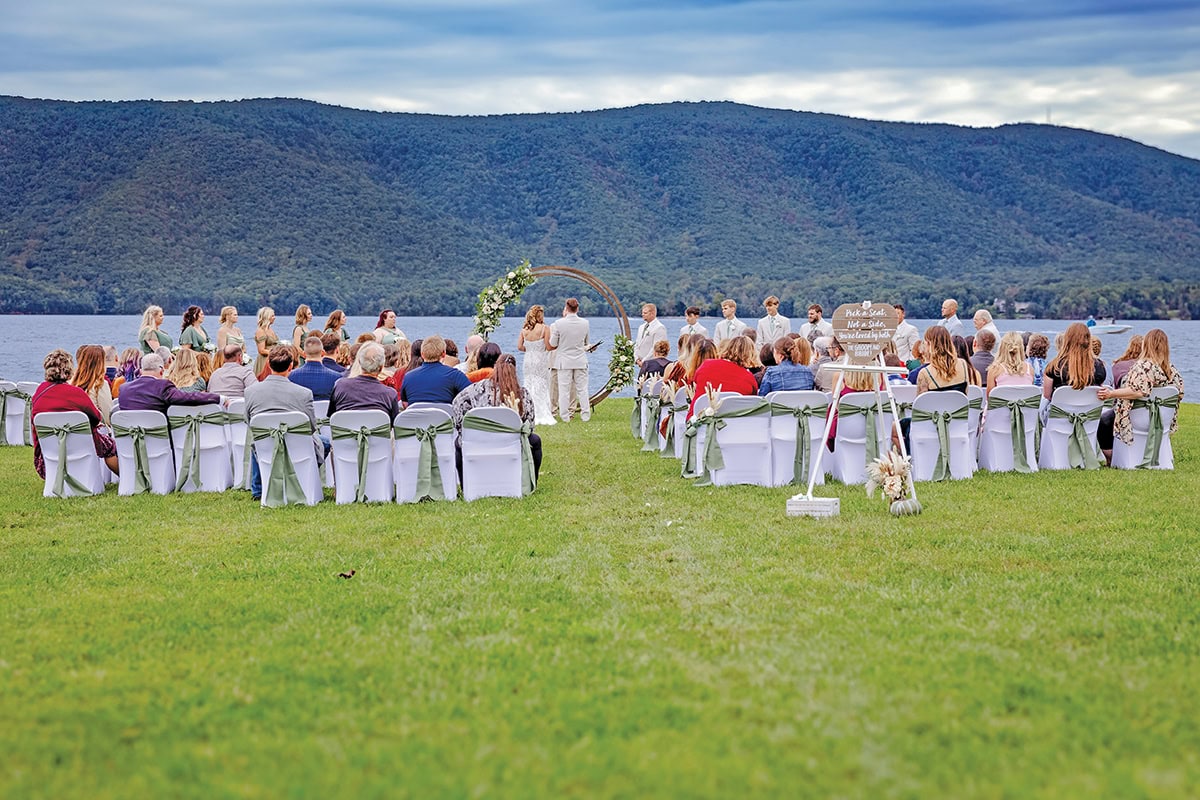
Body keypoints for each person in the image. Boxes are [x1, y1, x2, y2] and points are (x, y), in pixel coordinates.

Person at [244, 344, 329, 500]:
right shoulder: (303, 393)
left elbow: (250, 423)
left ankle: (259, 490)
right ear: (291, 366)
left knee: (257, 442)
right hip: (298, 448)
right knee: (325, 442)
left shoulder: (250, 392)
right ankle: (303, 480)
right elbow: (310, 428)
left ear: (268, 364)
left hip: (266, 446)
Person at [1097, 329, 1184, 465]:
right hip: (1162, 419)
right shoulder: (1171, 370)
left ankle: (1111, 459)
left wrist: (1111, 393)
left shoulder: (1142, 366)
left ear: (1147, 344)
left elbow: (1138, 392)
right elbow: (1178, 392)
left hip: (1138, 420)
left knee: (1106, 420)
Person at [30, 349, 119, 480]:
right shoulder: (75, 393)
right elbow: (96, 418)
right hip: (79, 447)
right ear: (68, 369)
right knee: (109, 447)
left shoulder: (40, 392)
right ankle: (126, 477)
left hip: (46, 456)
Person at [452, 353, 543, 480]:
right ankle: (531, 479)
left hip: (480, 440)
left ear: (496, 367)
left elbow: (457, 405)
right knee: (536, 441)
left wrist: (465, 431)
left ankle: (464, 483)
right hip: (512, 442)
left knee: (458, 443)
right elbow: (530, 425)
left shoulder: (475, 390)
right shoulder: (523, 394)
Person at [117, 352, 222, 413]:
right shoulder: (163, 386)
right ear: (162, 370)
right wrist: (219, 398)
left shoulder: (123, 389)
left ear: (140, 370)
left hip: (128, 446)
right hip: (160, 443)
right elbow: (189, 397)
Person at [688, 336, 759, 418]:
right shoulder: (749, 379)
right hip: (732, 425)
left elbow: (695, 383)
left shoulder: (706, 365)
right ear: (751, 355)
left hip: (697, 420)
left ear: (728, 348)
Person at [327, 343, 402, 420]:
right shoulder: (390, 394)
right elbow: (394, 424)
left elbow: (332, 416)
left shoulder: (340, 386)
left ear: (359, 362)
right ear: (381, 366)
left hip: (345, 430)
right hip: (375, 431)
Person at [548, 298, 591, 422]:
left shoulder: (558, 324)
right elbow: (586, 343)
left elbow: (553, 343)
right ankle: (585, 415)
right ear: (577, 308)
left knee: (564, 390)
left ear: (566, 308)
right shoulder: (585, 323)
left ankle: (565, 416)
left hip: (563, 361)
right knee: (582, 389)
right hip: (580, 360)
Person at [400, 335, 473, 406]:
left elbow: (405, 404)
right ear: (444, 354)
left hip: (416, 417)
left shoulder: (408, 377)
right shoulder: (455, 375)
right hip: (445, 417)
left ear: (422, 354)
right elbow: (472, 396)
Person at [1042, 322, 1106, 400]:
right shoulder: (1100, 366)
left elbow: (1047, 396)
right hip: (1089, 411)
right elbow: (1099, 393)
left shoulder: (1054, 366)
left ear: (1067, 340)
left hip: (1061, 411)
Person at [517, 305, 556, 425]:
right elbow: (549, 347)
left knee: (529, 384)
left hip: (528, 361)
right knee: (541, 385)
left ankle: (527, 411)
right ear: (540, 315)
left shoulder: (524, 330)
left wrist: (530, 350)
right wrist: (557, 346)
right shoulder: (545, 328)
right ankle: (540, 412)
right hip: (540, 360)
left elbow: (519, 347)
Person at [70, 344, 113, 427]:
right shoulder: (100, 385)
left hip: (74, 430)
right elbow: (108, 417)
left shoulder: (70, 383)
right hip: (94, 432)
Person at [288, 337, 340, 401]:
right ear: (323, 353)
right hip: (326, 410)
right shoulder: (336, 378)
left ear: (304, 354)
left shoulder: (291, 376)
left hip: (302, 410)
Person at [253, 307, 280, 379]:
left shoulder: (270, 330)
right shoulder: (261, 331)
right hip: (264, 361)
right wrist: (275, 352)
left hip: (273, 359)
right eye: (272, 316)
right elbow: (261, 350)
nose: (274, 318)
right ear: (267, 317)